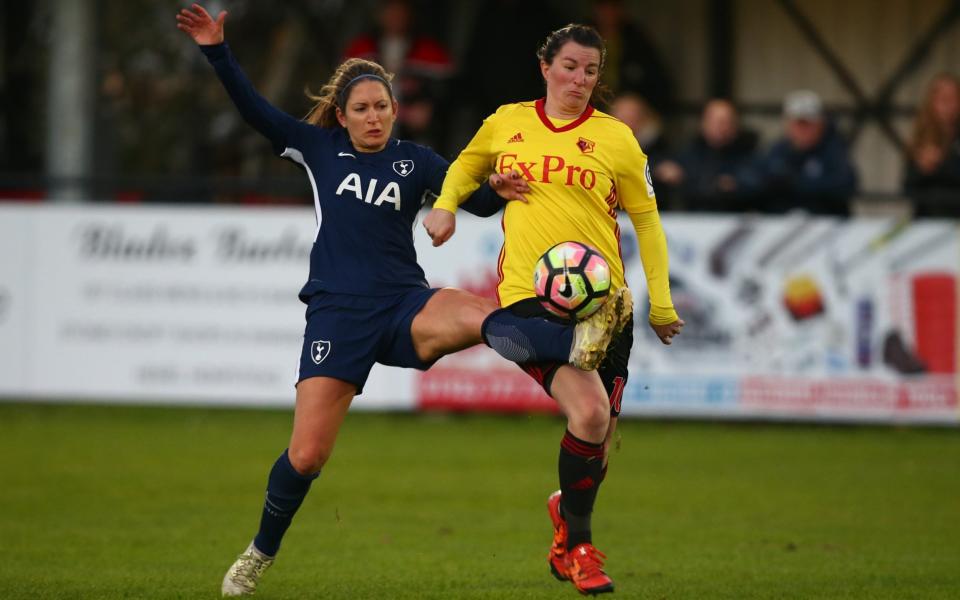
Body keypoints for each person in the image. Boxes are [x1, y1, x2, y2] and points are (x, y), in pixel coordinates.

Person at [176, 5, 628, 596]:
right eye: (361, 109)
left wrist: (494, 188)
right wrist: (217, 50)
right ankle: (260, 551)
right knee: (308, 455)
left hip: (404, 304)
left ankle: (572, 340)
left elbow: (469, 197)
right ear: (342, 115)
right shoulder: (316, 147)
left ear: (395, 111)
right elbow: (254, 110)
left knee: (481, 312)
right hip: (338, 314)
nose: (373, 118)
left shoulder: (413, 161)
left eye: (382, 107)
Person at [424, 24, 684, 595]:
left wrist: (659, 304)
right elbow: (465, 167)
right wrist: (446, 206)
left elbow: (647, 221)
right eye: (569, 67)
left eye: (590, 71)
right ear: (544, 66)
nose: (579, 80)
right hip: (529, 297)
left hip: (605, 306)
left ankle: (565, 513)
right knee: (589, 416)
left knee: (598, 438)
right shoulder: (508, 122)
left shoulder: (617, 139)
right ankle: (581, 550)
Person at [342, 0, 454, 154]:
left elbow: (446, 93)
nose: (395, 17)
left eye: (400, 12)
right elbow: (341, 91)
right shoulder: (361, 50)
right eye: (390, 11)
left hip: (414, 138)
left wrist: (429, 109)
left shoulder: (430, 52)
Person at [757, 89, 858, 216]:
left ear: (820, 124)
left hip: (824, 224)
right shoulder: (778, 151)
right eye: (798, 124)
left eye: (808, 124)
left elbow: (845, 186)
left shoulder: (834, 150)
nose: (803, 130)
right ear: (787, 124)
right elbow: (760, 182)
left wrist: (798, 183)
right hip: (783, 224)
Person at [654, 98, 761, 212]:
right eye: (714, 121)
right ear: (703, 123)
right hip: (694, 219)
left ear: (735, 125)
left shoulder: (749, 154)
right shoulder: (689, 152)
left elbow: (758, 185)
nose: (720, 127)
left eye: (725, 122)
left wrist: (737, 186)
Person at [904, 73, 960, 216]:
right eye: (942, 99)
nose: (947, 104)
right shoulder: (920, 139)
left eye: (952, 98)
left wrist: (943, 164)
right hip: (928, 222)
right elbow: (907, 189)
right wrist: (921, 169)